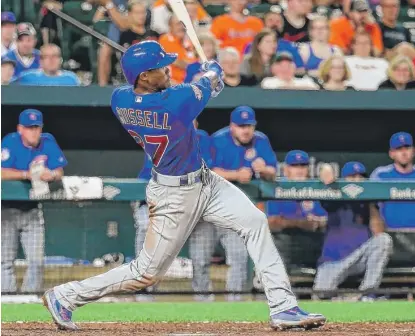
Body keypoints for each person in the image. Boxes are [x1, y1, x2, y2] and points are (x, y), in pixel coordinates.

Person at [42, 40, 326, 331]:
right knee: (145, 272)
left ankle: (283, 307)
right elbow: (212, 83)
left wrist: (201, 78)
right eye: (160, 66)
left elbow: (189, 88)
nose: (167, 68)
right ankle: (65, 296)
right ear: (143, 77)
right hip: (174, 196)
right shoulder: (175, 102)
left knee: (254, 221)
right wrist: (211, 71)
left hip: (205, 181)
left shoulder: (120, 99)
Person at [1, 109, 67, 293]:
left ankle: (31, 299)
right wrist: (26, 175)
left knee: (37, 260)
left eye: (36, 127)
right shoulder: (10, 141)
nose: (34, 131)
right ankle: (7, 299)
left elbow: (59, 170)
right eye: (29, 128)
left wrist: (51, 174)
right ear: (20, 128)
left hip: (32, 210)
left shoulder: (47, 140)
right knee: (4, 260)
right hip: (6, 209)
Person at [315, 162, 393, 301]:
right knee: (320, 296)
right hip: (333, 260)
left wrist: (370, 201)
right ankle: (347, 301)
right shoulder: (335, 195)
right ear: (344, 179)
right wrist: (326, 172)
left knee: (384, 240)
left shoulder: (368, 203)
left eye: (360, 176)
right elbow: (324, 173)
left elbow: (379, 231)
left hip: (359, 257)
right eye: (352, 176)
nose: (357, 180)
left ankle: (367, 293)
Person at [266, 150, 327, 271]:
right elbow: (272, 223)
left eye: (303, 165)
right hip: (286, 241)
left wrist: (319, 221)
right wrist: (302, 223)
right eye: (294, 166)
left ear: (308, 169)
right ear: (286, 169)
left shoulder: (315, 188)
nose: (299, 170)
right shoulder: (277, 187)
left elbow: (326, 218)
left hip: (311, 240)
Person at [371, 132, 415, 229]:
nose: (404, 153)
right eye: (399, 149)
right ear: (391, 153)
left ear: (413, 151)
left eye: (407, 148)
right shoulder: (381, 174)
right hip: (390, 233)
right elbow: (372, 207)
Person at [11, 44, 80, 86]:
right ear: (41, 61)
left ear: (60, 60)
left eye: (55, 56)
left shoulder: (71, 78)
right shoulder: (28, 77)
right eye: (47, 56)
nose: (51, 60)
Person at [96, 0, 128, 86]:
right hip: (114, 38)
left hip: (130, 34)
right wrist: (105, 6)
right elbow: (96, 20)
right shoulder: (111, 2)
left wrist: (109, 5)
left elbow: (124, 25)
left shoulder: (126, 3)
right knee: (105, 47)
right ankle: (102, 86)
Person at [159, 15, 197, 84]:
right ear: (170, 26)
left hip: (190, 82)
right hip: (172, 83)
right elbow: (177, 62)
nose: (181, 27)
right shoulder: (165, 40)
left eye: (183, 24)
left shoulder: (189, 42)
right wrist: (194, 67)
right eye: (178, 24)